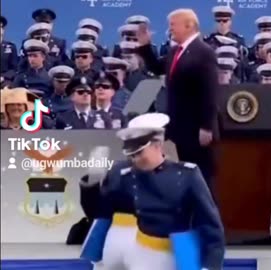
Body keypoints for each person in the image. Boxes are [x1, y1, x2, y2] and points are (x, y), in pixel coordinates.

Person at [115, 113, 225, 270]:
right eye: (132, 154)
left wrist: (210, 266)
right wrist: (90, 184)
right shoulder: (126, 177)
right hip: (143, 252)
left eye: (139, 153)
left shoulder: (187, 174)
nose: (135, 159)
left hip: (182, 251)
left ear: (157, 145)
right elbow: (102, 214)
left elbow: (210, 225)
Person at [136, 9, 219, 187]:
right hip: (181, 129)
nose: (169, 29)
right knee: (187, 177)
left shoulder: (204, 52)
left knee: (201, 179)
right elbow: (158, 68)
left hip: (197, 131)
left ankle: (207, 214)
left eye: (173, 25)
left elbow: (210, 91)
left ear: (189, 25)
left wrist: (206, 126)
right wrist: (145, 46)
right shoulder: (176, 51)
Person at [79, 150, 137, 270]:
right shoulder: (118, 171)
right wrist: (92, 181)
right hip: (115, 236)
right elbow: (96, 210)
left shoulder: (168, 173)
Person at [1, 15, 18, 87]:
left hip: (4, 81)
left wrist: (3, 77)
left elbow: (14, 69)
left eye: (1, 27)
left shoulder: (11, 47)